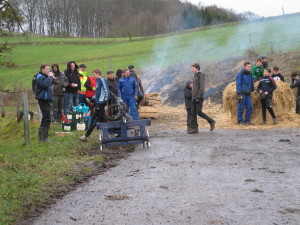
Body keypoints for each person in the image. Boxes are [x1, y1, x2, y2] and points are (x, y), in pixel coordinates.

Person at [80, 69, 110, 141]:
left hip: (101, 102)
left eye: (94, 74)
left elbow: (106, 90)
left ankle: (86, 136)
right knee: (103, 118)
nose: (93, 76)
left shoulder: (102, 80)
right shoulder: (97, 81)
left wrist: (105, 100)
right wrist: (92, 99)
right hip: (98, 102)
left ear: (98, 74)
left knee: (94, 119)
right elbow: (97, 92)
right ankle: (113, 131)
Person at [189, 63, 215, 134]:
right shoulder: (195, 76)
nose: (192, 69)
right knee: (193, 113)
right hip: (194, 97)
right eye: (192, 68)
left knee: (198, 112)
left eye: (193, 68)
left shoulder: (201, 75)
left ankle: (211, 121)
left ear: (197, 68)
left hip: (199, 97)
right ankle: (195, 129)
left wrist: (198, 97)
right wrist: (193, 96)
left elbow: (202, 88)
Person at [35, 64, 55, 142]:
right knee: (46, 117)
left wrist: (52, 78)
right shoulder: (40, 76)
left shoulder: (44, 77)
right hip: (42, 99)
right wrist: (50, 77)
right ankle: (43, 138)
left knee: (46, 117)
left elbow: (49, 84)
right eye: (47, 69)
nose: (49, 71)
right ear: (42, 69)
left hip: (46, 99)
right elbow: (45, 85)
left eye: (49, 69)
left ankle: (43, 137)